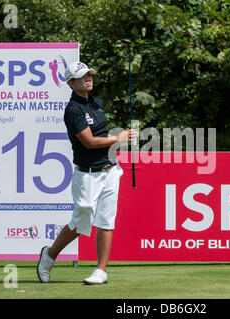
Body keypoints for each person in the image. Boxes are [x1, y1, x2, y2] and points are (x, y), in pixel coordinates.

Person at [37, 61, 136, 285]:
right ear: (71, 83)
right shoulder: (73, 110)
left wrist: (121, 138)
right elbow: (89, 142)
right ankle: (49, 255)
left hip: (110, 170)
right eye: (82, 77)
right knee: (81, 222)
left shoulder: (97, 103)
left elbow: (102, 134)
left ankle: (101, 270)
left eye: (89, 75)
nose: (88, 79)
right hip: (87, 175)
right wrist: (117, 138)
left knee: (105, 220)